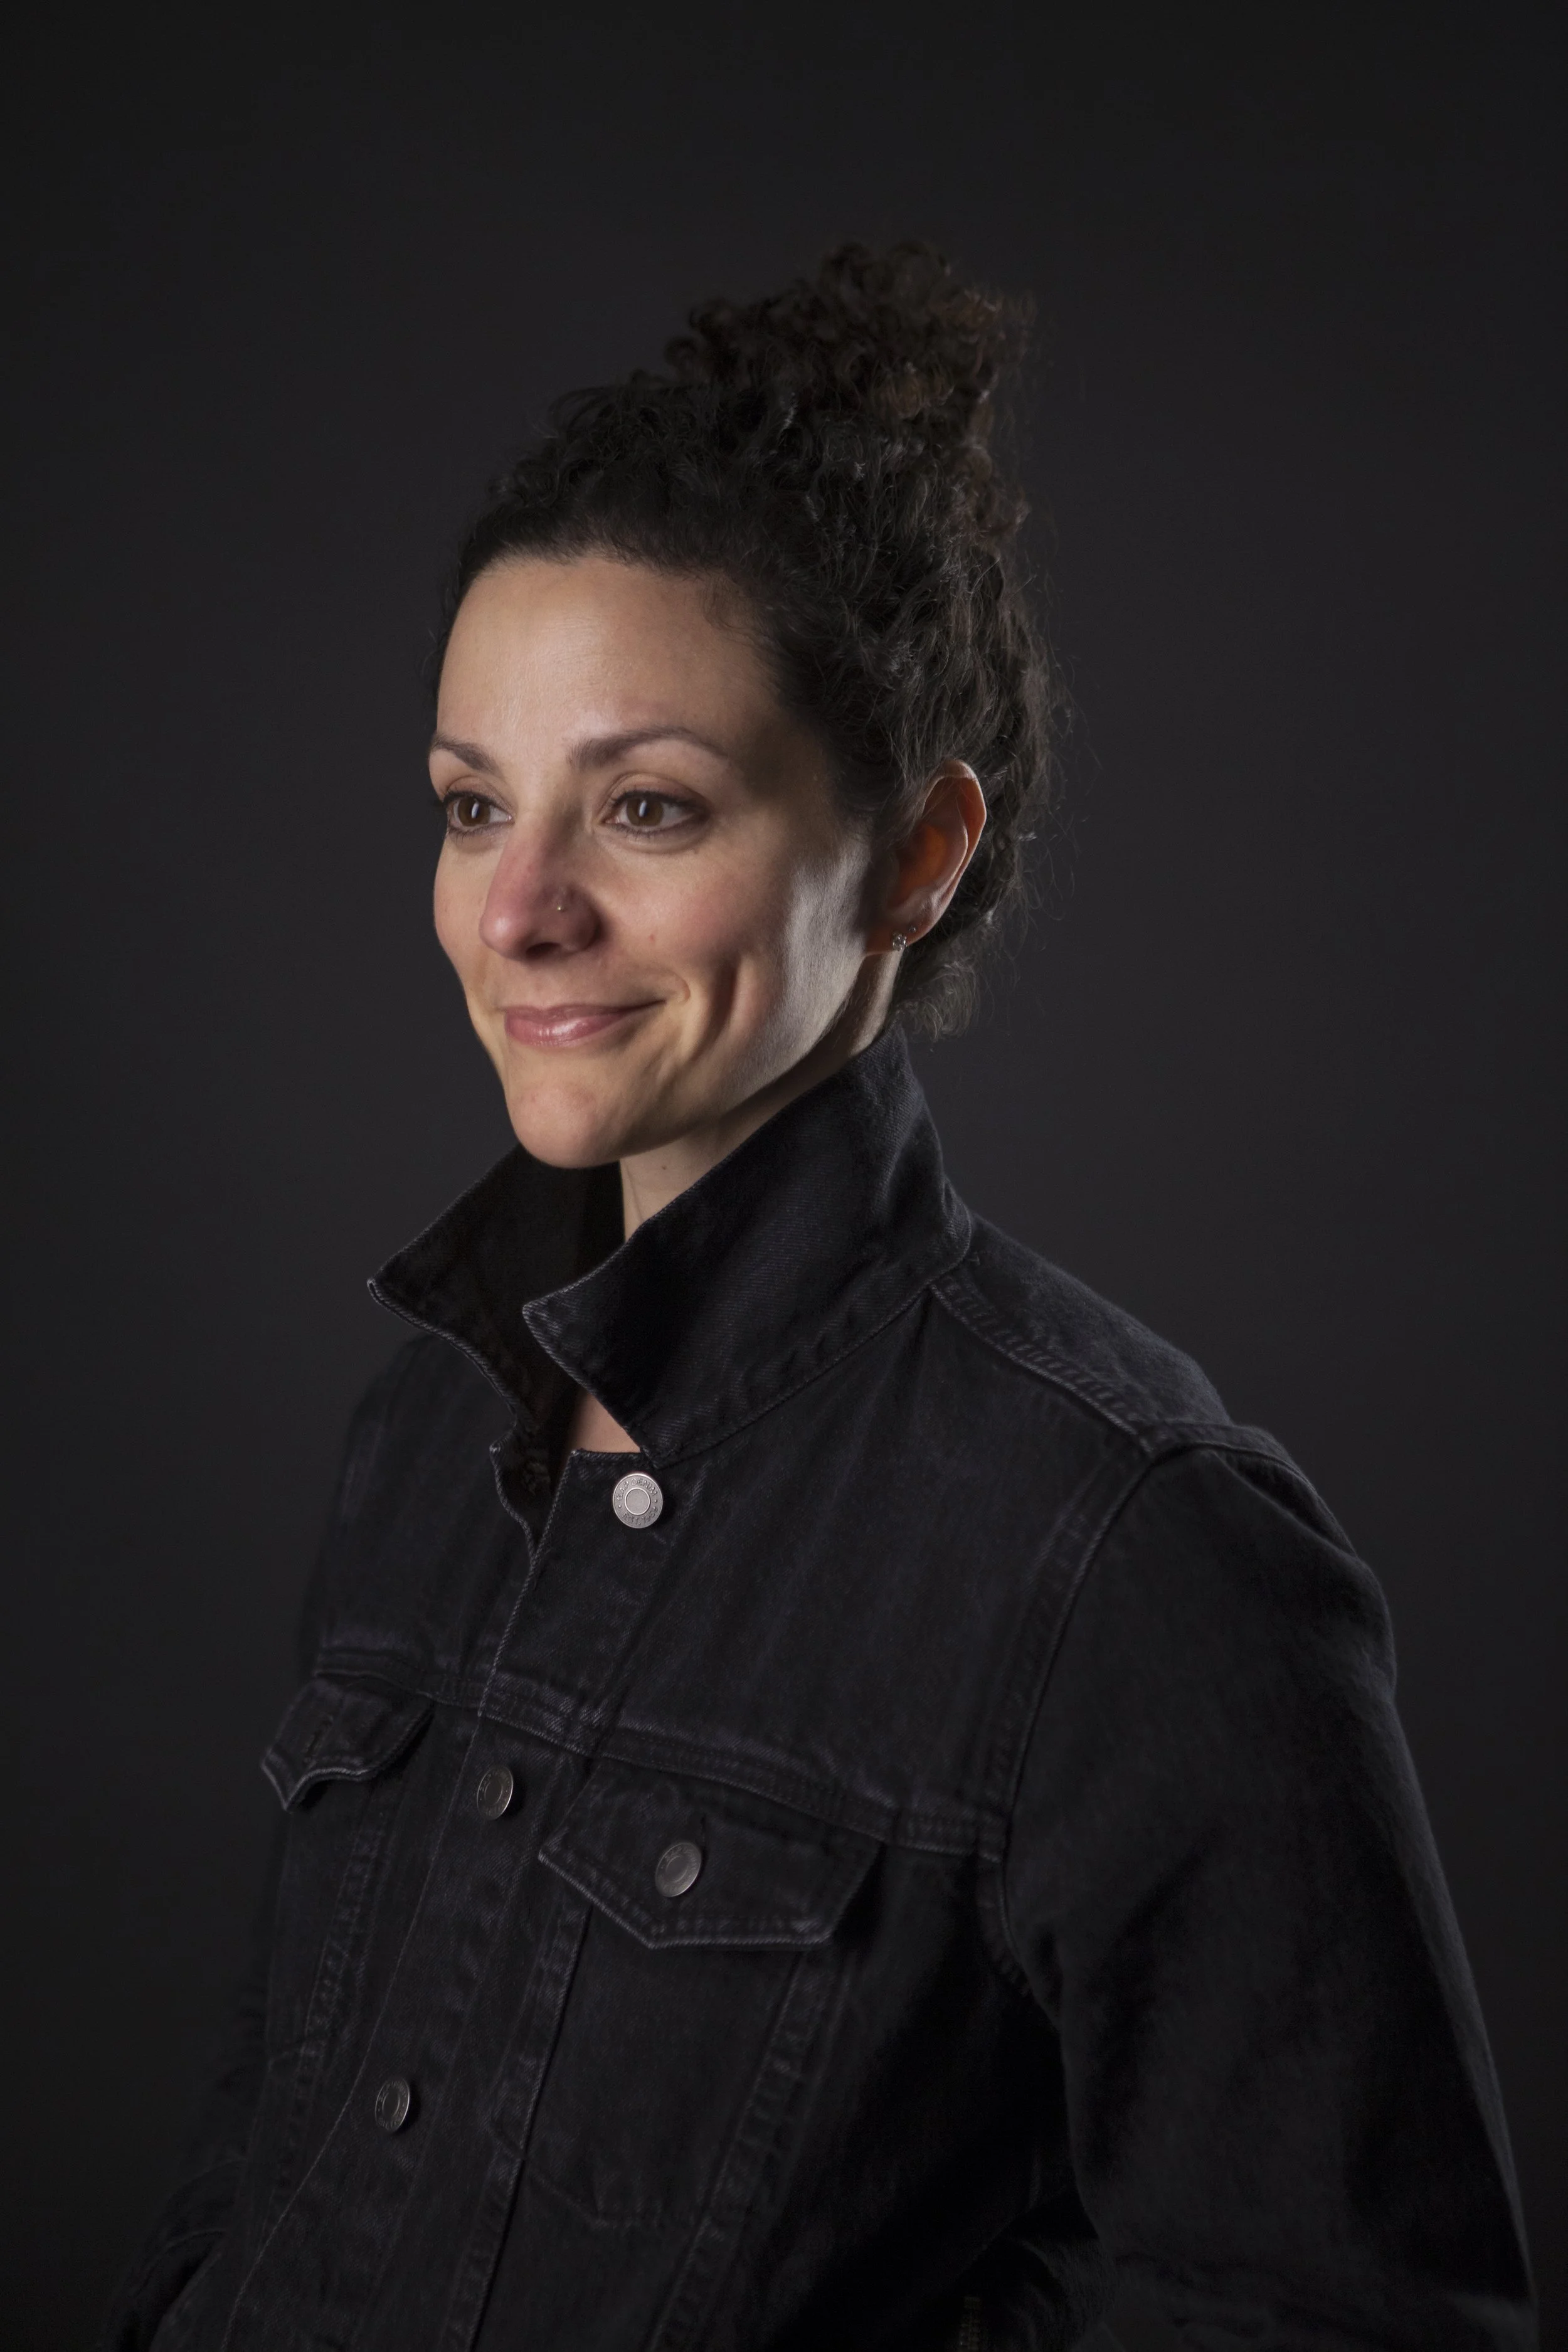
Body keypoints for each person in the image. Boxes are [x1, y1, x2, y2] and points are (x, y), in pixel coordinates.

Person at [104, 244, 1534, 2352]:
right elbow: (274, 2162)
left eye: (647, 805)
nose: (518, 909)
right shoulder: (421, 1437)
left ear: (915, 853)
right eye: (473, 805)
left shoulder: (1135, 1552)